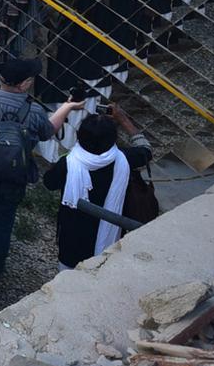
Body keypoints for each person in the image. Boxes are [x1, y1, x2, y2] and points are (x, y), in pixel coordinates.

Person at [0, 57, 85, 281]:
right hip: (15, 177)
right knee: (3, 224)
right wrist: (68, 106)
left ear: (0, 78)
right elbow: (48, 131)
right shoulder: (33, 111)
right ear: (23, 84)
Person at [43, 105, 153, 270]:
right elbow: (146, 150)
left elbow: (49, 183)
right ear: (113, 138)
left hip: (72, 235)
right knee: (101, 268)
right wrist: (123, 120)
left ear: (79, 136)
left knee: (67, 275)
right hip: (111, 229)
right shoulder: (125, 159)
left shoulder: (68, 163)